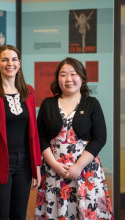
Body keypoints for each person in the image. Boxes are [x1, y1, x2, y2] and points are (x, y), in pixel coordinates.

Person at [35, 57, 114, 219]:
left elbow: (100, 138)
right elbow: (40, 137)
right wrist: (55, 165)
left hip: (86, 174)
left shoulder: (92, 103)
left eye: (73, 74)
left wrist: (78, 167)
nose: (68, 79)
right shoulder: (47, 104)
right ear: (58, 79)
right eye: (63, 75)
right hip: (54, 173)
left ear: (82, 78)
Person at [0, 45, 42, 220]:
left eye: (14, 59)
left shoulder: (28, 91)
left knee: (19, 215)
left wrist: (36, 165)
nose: (10, 63)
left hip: (24, 165)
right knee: (0, 216)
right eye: (4, 59)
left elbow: (33, 131)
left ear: (19, 64)